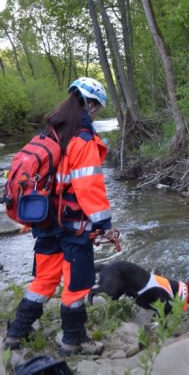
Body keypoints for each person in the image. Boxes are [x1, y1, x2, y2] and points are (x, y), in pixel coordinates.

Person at [3, 77, 114, 355]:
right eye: (97, 107)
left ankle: (16, 335)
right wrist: (104, 224)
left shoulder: (48, 133)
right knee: (77, 286)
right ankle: (73, 341)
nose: (96, 112)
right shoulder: (83, 140)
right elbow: (88, 186)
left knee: (43, 281)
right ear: (88, 104)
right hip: (73, 227)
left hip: (45, 223)